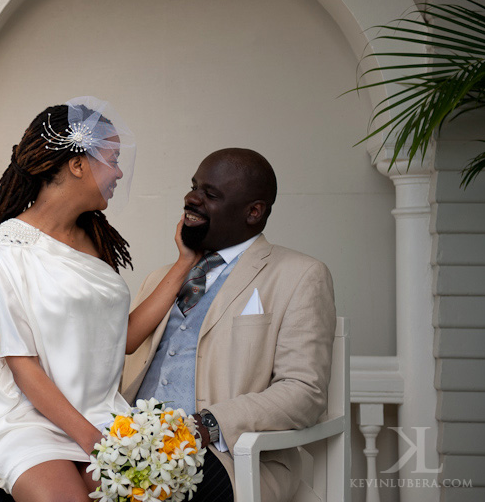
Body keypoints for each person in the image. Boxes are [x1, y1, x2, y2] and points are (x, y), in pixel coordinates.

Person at [0, 97, 199, 502]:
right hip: (25, 422)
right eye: (112, 157)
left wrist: (184, 263)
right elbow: (22, 366)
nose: (120, 171)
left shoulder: (94, 241)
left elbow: (120, 340)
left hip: (102, 417)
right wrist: (96, 443)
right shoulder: (7, 248)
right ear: (78, 163)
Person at [121, 148, 337, 502]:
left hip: (228, 458)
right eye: (194, 187)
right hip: (128, 444)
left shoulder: (299, 275)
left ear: (254, 211)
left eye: (210, 194)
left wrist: (205, 425)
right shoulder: (160, 279)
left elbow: (304, 391)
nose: (191, 198)